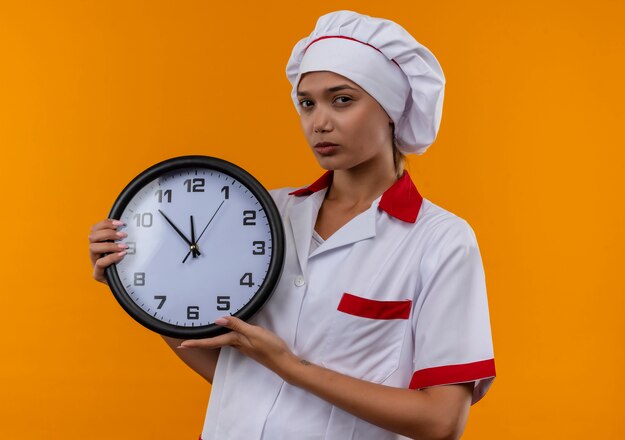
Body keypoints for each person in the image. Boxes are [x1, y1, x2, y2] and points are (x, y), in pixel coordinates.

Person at [88, 10, 495, 440]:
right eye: (307, 103)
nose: (319, 122)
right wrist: (135, 281)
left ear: (391, 109)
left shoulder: (440, 239)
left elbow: (442, 421)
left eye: (342, 100)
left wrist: (288, 365)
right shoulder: (267, 212)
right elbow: (236, 378)